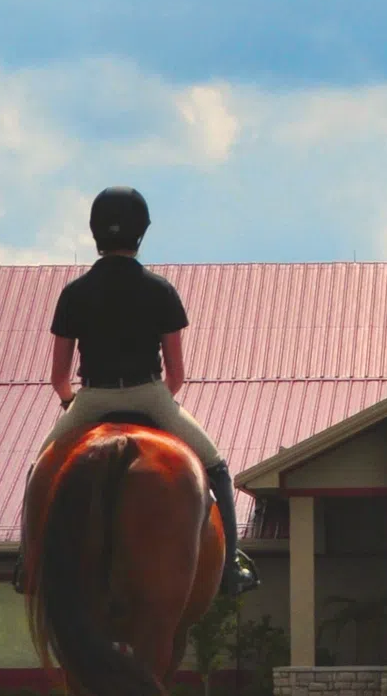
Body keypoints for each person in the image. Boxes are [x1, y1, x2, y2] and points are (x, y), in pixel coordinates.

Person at [42, 186, 258, 597]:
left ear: (94, 232)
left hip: (92, 399)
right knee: (216, 467)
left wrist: (73, 402)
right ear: (141, 232)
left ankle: (26, 562)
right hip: (150, 395)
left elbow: (59, 377)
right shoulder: (161, 291)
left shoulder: (74, 293)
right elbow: (177, 373)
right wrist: (158, 401)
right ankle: (231, 567)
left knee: (40, 468)